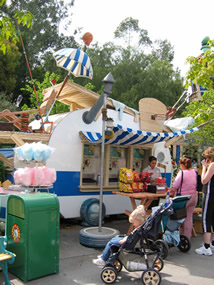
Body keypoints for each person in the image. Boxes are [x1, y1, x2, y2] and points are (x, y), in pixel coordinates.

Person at [172, 157, 197, 239]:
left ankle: (174, 236)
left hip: (183, 198)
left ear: (182, 165)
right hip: (193, 196)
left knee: (176, 216)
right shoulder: (194, 172)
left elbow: (175, 186)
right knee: (188, 218)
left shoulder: (182, 173)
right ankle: (186, 237)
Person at [195, 147, 214, 256]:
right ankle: (213, 243)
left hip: (210, 194)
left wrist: (204, 168)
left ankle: (206, 246)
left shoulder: (212, 165)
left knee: (206, 218)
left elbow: (204, 180)